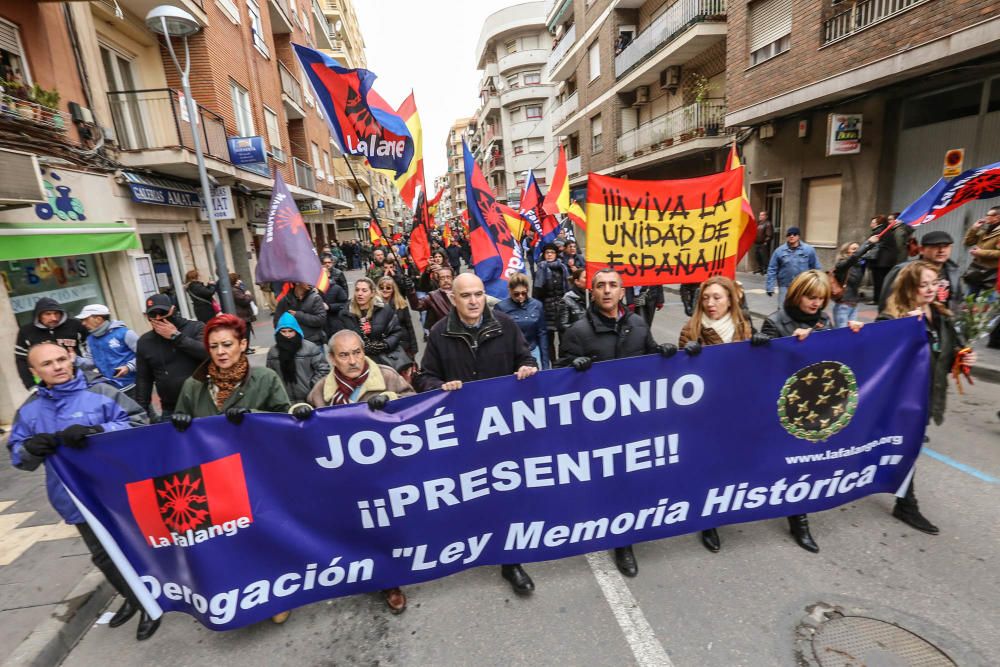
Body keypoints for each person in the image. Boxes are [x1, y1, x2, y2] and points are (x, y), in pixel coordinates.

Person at [8, 342, 157, 640]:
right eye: (48, 364)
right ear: (34, 371)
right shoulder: (30, 410)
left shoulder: (102, 393)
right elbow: (18, 455)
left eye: (62, 359)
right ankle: (134, 598)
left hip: (117, 492)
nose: (58, 366)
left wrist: (99, 432)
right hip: (76, 500)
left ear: (72, 357)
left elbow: (140, 423)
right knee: (103, 557)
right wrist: (30, 449)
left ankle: (152, 603)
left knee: (137, 549)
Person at [419, 273, 539, 595]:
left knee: (505, 495)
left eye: (478, 294)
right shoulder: (440, 334)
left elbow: (526, 358)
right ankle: (471, 545)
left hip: (501, 431)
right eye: (466, 295)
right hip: (463, 434)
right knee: (472, 494)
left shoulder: (505, 324)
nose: (473, 301)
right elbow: (425, 376)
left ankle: (510, 561)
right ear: (453, 299)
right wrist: (439, 387)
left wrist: (528, 368)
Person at [170, 314, 292, 623]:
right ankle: (243, 594)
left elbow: (283, 420)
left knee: (263, 534)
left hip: (256, 474)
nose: (221, 352)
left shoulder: (265, 378)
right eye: (214, 346)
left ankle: (277, 595)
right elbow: (176, 432)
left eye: (227, 344)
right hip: (212, 480)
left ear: (243, 345)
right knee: (229, 541)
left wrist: (253, 417)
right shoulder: (193, 385)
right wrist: (177, 423)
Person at [558, 268, 679, 576]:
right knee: (610, 483)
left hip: (635, 423)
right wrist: (573, 366)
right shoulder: (577, 332)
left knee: (632, 479)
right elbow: (558, 378)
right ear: (592, 291)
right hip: (598, 428)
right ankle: (620, 541)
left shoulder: (638, 324)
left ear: (622, 290)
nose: (608, 291)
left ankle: (628, 531)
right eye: (601, 286)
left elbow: (651, 359)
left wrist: (663, 353)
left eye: (613, 285)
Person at [295, 329, 414, 613]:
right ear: (333, 358)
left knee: (385, 525)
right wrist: (299, 412)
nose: (352, 360)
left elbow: (416, 406)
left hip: (386, 471)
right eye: (344, 355)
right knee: (357, 527)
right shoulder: (321, 390)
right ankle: (364, 570)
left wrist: (390, 400)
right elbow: (303, 426)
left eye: (357, 352)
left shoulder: (386, 376)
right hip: (345, 477)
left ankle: (390, 580)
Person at [762, 270, 863, 552]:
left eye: (820, 298)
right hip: (784, 409)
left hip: (814, 408)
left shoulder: (823, 321)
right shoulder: (775, 322)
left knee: (802, 465)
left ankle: (799, 520)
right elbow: (761, 367)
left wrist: (853, 336)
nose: (816, 303)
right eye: (810, 296)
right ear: (796, 294)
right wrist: (791, 347)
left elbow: (836, 359)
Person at [878, 261, 976, 533]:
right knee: (904, 449)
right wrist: (906, 332)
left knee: (904, 449)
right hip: (900, 402)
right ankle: (906, 505)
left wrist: (963, 356)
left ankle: (898, 496)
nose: (931, 289)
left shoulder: (941, 315)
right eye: (924, 284)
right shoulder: (891, 320)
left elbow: (951, 349)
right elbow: (878, 359)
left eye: (935, 283)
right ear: (909, 287)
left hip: (928, 398)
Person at [677, 277, 768, 552]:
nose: (710, 303)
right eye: (706, 298)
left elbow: (755, 370)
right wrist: (686, 356)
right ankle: (709, 521)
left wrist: (762, 347)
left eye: (717, 297)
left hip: (736, 410)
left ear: (730, 299)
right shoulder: (690, 329)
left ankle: (729, 503)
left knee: (732, 464)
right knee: (709, 468)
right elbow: (679, 380)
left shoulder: (744, 327)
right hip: (705, 415)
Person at [14, 297, 88, 389]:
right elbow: (21, 361)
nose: (53, 318)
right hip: (48, 386)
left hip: (80, 380)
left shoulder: (75, 326)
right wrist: (31, 386)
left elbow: (90, 349)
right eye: (48, 314)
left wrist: (89, 371)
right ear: (39, 315)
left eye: (56, 313)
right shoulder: (26, 332)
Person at [880, 231, 962, 314]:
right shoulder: (905, 270)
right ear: (922, 250)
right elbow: (887, 301)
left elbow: (958, 299)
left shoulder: (953, 270)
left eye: (946, 246)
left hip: (941, 322)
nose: (941, 250)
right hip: (912, 319)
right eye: (936, 246)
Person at [329, 278, 403, 365]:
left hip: (383, 360)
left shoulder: (385, 309)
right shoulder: (345, 313)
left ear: (372, 293)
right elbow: (340, 340)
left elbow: (396, 332)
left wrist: (385, 345)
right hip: (357, 363)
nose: (359, 294)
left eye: (364, 290)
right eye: (357, 290)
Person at [74, 304, 139, 397]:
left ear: (99, 319)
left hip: (134, 386)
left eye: (86, 319)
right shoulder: (90, 340)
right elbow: (91, 362)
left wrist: (129, 367)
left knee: (145, 411)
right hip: (111, 390)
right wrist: (74, 359)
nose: (83, 323)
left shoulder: (124, 333)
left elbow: (145, 355)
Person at [266, 312, 330, 403]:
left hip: (310, 398)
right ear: (278, 332)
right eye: (283, 331)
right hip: (284, 401)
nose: (287, 335)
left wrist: (312, 385)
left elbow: (324, 369)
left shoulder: (310, 348)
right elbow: (270, 377)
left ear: (296, 331)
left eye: (290, 331)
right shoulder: (273, 352)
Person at [962, 207, 1000, 349]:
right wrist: (974, 228)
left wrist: (981, 252)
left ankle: (981, 329)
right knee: (969, 299)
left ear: (997, 217)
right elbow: (967, 242)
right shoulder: (985, 229)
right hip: (976, 271)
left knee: (987, 302)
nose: (986, 217)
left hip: (991, 272)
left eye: (989, 215)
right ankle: (966, 325)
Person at [495, 274, 549, 369]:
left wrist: (545, 364)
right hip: (512, 353)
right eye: (516, 294)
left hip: (533, 350)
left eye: (524, 293)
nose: (520, 296)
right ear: (510, 291)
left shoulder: (537, 305)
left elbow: (542, 334)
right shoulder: (501, 307)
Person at [533, 243, 570, 362]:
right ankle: (553, 363)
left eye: (552, 252)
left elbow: (568, 288)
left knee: (564, 338)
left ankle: (563, 361)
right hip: (546, 310)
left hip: (561, 308)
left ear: (556, 254)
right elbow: (536, 291)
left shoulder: (562, 268)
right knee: (548, 340)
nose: (549, 255)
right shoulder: (540, 269)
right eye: (547, 253)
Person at [766, 227, 820, 305]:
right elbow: (772, 269)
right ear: (787, 237)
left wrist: (817, 286)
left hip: (803, 286)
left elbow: (816, 268)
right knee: (783, 309)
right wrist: (770, 287)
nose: (792, 236)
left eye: (794, 234)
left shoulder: (808, 250)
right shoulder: (779, 251)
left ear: (798, 236)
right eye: (789, 234)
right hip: (785, 286)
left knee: (801, 309)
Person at [831, 238, 874, 328]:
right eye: (854, 249)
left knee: (850, 334)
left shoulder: (859, 265)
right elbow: (854, 257)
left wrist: (873, 243)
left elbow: (870, 256)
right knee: (841, 335)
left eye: (858, 249)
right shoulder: (842, 265)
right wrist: (868, 242)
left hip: (854, 305)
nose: (858, 251)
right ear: (846, 252)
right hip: (843, 305)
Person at [273, 282, 328, 346]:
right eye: (306, 280)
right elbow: (277, 322)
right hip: (292, 344)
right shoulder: (285, 300)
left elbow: (321, 320)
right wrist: (287, 331)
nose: (309, 282)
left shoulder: (315, 298)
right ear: (297, 282)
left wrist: (299, 315)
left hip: (313, 342)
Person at [378, 276, 418, 359]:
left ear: (393, 289)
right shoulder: (374, 306)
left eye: (388, 288)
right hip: (385, 346)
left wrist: (414, 348)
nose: (385, 290)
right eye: (381, 288)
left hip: (403, 344)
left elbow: (409, 327)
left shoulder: (401, 303)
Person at [407, 265, 455, 334]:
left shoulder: (461, 292)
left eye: (448, 277)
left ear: (453, 278)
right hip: (442, 334)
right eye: (442, 278)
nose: (446, 280)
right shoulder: (433, 296)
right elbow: (417, 305)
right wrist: (410, 290)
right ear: (438, 280)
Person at [229, 273, 256, 351]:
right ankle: (245, 348)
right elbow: (244, 301)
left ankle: (247, 347)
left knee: (246, 332)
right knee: (245, 333)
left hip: (243, 314)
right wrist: (249, 295)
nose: (239, 281)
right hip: (242, 315)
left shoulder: (236, 289)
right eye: (237, 280)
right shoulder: (234, 290)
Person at [559, 267, 588, 333]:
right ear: (577, 281)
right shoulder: (567, 299)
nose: (589, 280)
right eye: (585, 278)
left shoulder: (595, 297)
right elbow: (563, 325)